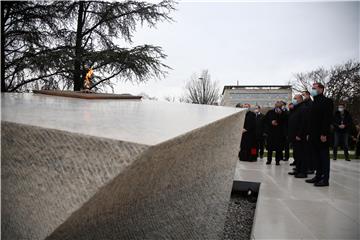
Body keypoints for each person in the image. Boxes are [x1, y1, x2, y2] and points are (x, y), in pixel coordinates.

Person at [305, 83, 334, 187]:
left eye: (314, 88)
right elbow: (310, 120)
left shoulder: (327, 101)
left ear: (321, 89)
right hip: (313, 135)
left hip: (322, 135)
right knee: (316, 157)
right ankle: (318, 176)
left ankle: (325, 179)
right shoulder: (313, 103)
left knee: (324, 158)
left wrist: (324, 133)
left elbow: (327, 119)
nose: (312, 90)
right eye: (312, 88)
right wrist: (308, 133)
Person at [287, 94, 308, 178]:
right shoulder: (296, 108)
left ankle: (303, 172)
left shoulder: (303, 108)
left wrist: (299, 134)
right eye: (293, 98)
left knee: (302, 154)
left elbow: (303, 123)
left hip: (299, 136)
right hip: (294, 135)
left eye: (295, 98)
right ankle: (298, 170)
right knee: (297, 154)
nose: (294, 100)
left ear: (300, 99)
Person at [264, 101, 286, 165]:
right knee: (270, 148)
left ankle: (277, 161)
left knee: (278, 148)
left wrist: (281, 114)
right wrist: (271, 122)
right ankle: (269, 160)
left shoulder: (283, 112)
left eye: (279, 104)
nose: (278, 105)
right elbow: (265, 120)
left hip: (279, 133)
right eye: (277, 103)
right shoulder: (270, 112)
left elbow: (285, 120)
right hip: (271, 132)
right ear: (275, 105)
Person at [302, 90, 315, 174]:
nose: (303, 97)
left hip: (309, 131)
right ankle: (306, 166)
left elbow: (310, 120)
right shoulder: (305, 104)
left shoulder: (310, 104)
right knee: (305, 151)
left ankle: (311, 168)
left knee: (310, 151)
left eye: (303, 95)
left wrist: (308, 132)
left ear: (308, 95)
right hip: (304, 130)